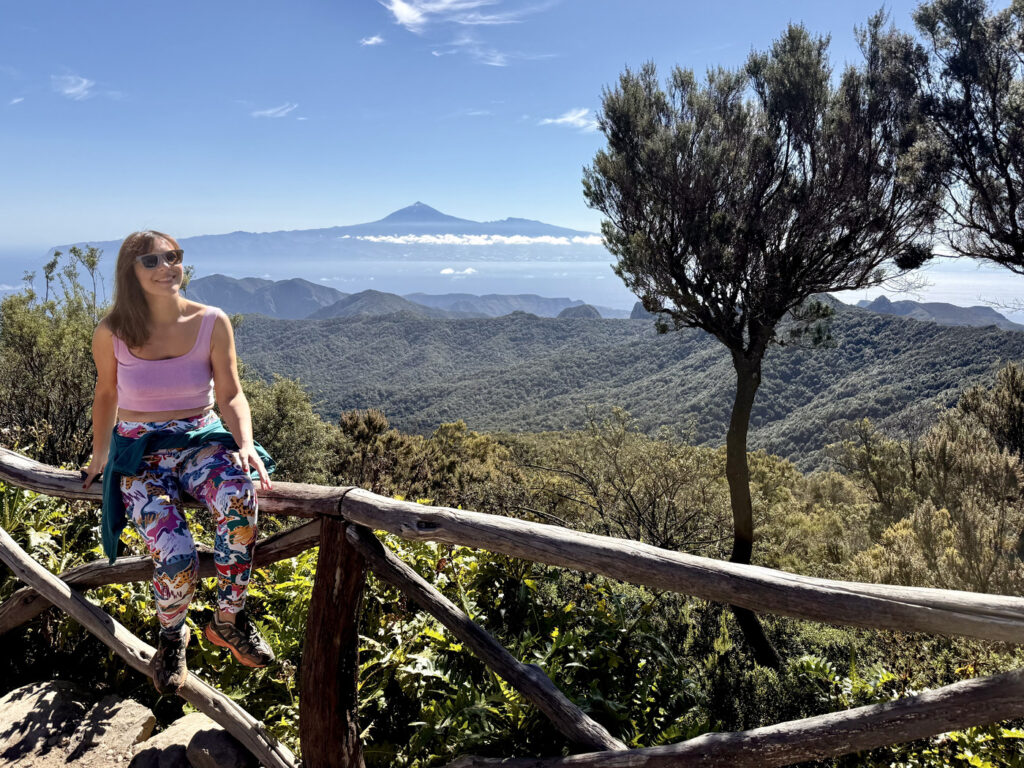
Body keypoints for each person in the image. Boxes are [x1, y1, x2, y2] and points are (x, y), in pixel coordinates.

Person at [81, 230, 276, 694]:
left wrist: (244, 442)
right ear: (131, 271)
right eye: (152, 260)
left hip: (198, 441)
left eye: (173, 256)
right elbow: (106, 393)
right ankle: (173, 636)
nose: (167, 266)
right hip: (141, 453)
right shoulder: (111, 332)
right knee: (176, 554)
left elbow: (230, 393)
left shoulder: (211, 321)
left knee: (238, 500)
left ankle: (228, 619)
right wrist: (100, 454)